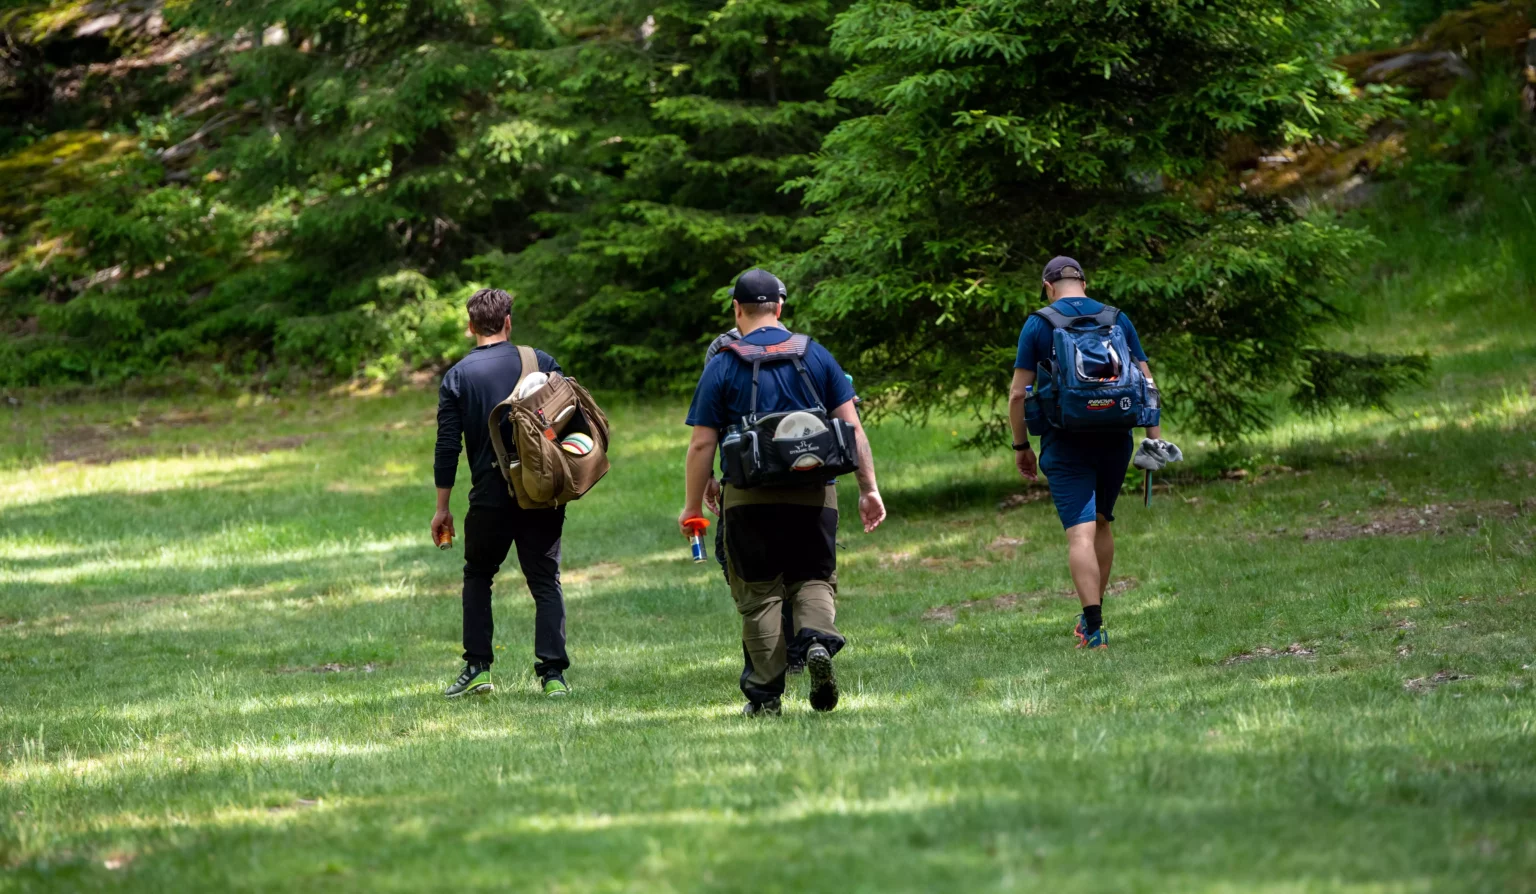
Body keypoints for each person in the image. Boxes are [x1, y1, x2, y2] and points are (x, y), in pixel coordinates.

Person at [680, 268, 887, 716]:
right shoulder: (814, 355)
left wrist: (692, 505)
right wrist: (868, 489)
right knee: (813, 579)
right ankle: (815, 642)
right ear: (780, 307)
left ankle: (766, 697)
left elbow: (701, 443)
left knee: (759, 595)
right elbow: (852, 428)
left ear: (737, 309)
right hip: (815, 493)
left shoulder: (724, 362)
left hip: (748, 498)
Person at [1007, 257, 1164, 650]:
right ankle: (1094, 612)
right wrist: (1153, 441)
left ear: (1048, 286)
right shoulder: (1116, 319)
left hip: (1065, 441)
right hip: (1116, 437)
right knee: (1102, 523)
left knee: (1080, 533)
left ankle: (1094, 627)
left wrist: (1022, 446)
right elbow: (1147, 383)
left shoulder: (1039, 324)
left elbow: (1016, 394)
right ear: (1084, 283)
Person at [432, 288, 572, 698]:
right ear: (508, 321)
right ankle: (553, 677)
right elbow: (569, 418)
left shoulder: (458, 377)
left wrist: (443, 507)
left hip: (490, 497)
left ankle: (478, 669)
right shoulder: (541, 362)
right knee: (545, 580)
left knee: (478, 575)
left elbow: (446, 447)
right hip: (541, 492)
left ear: (471, 326)